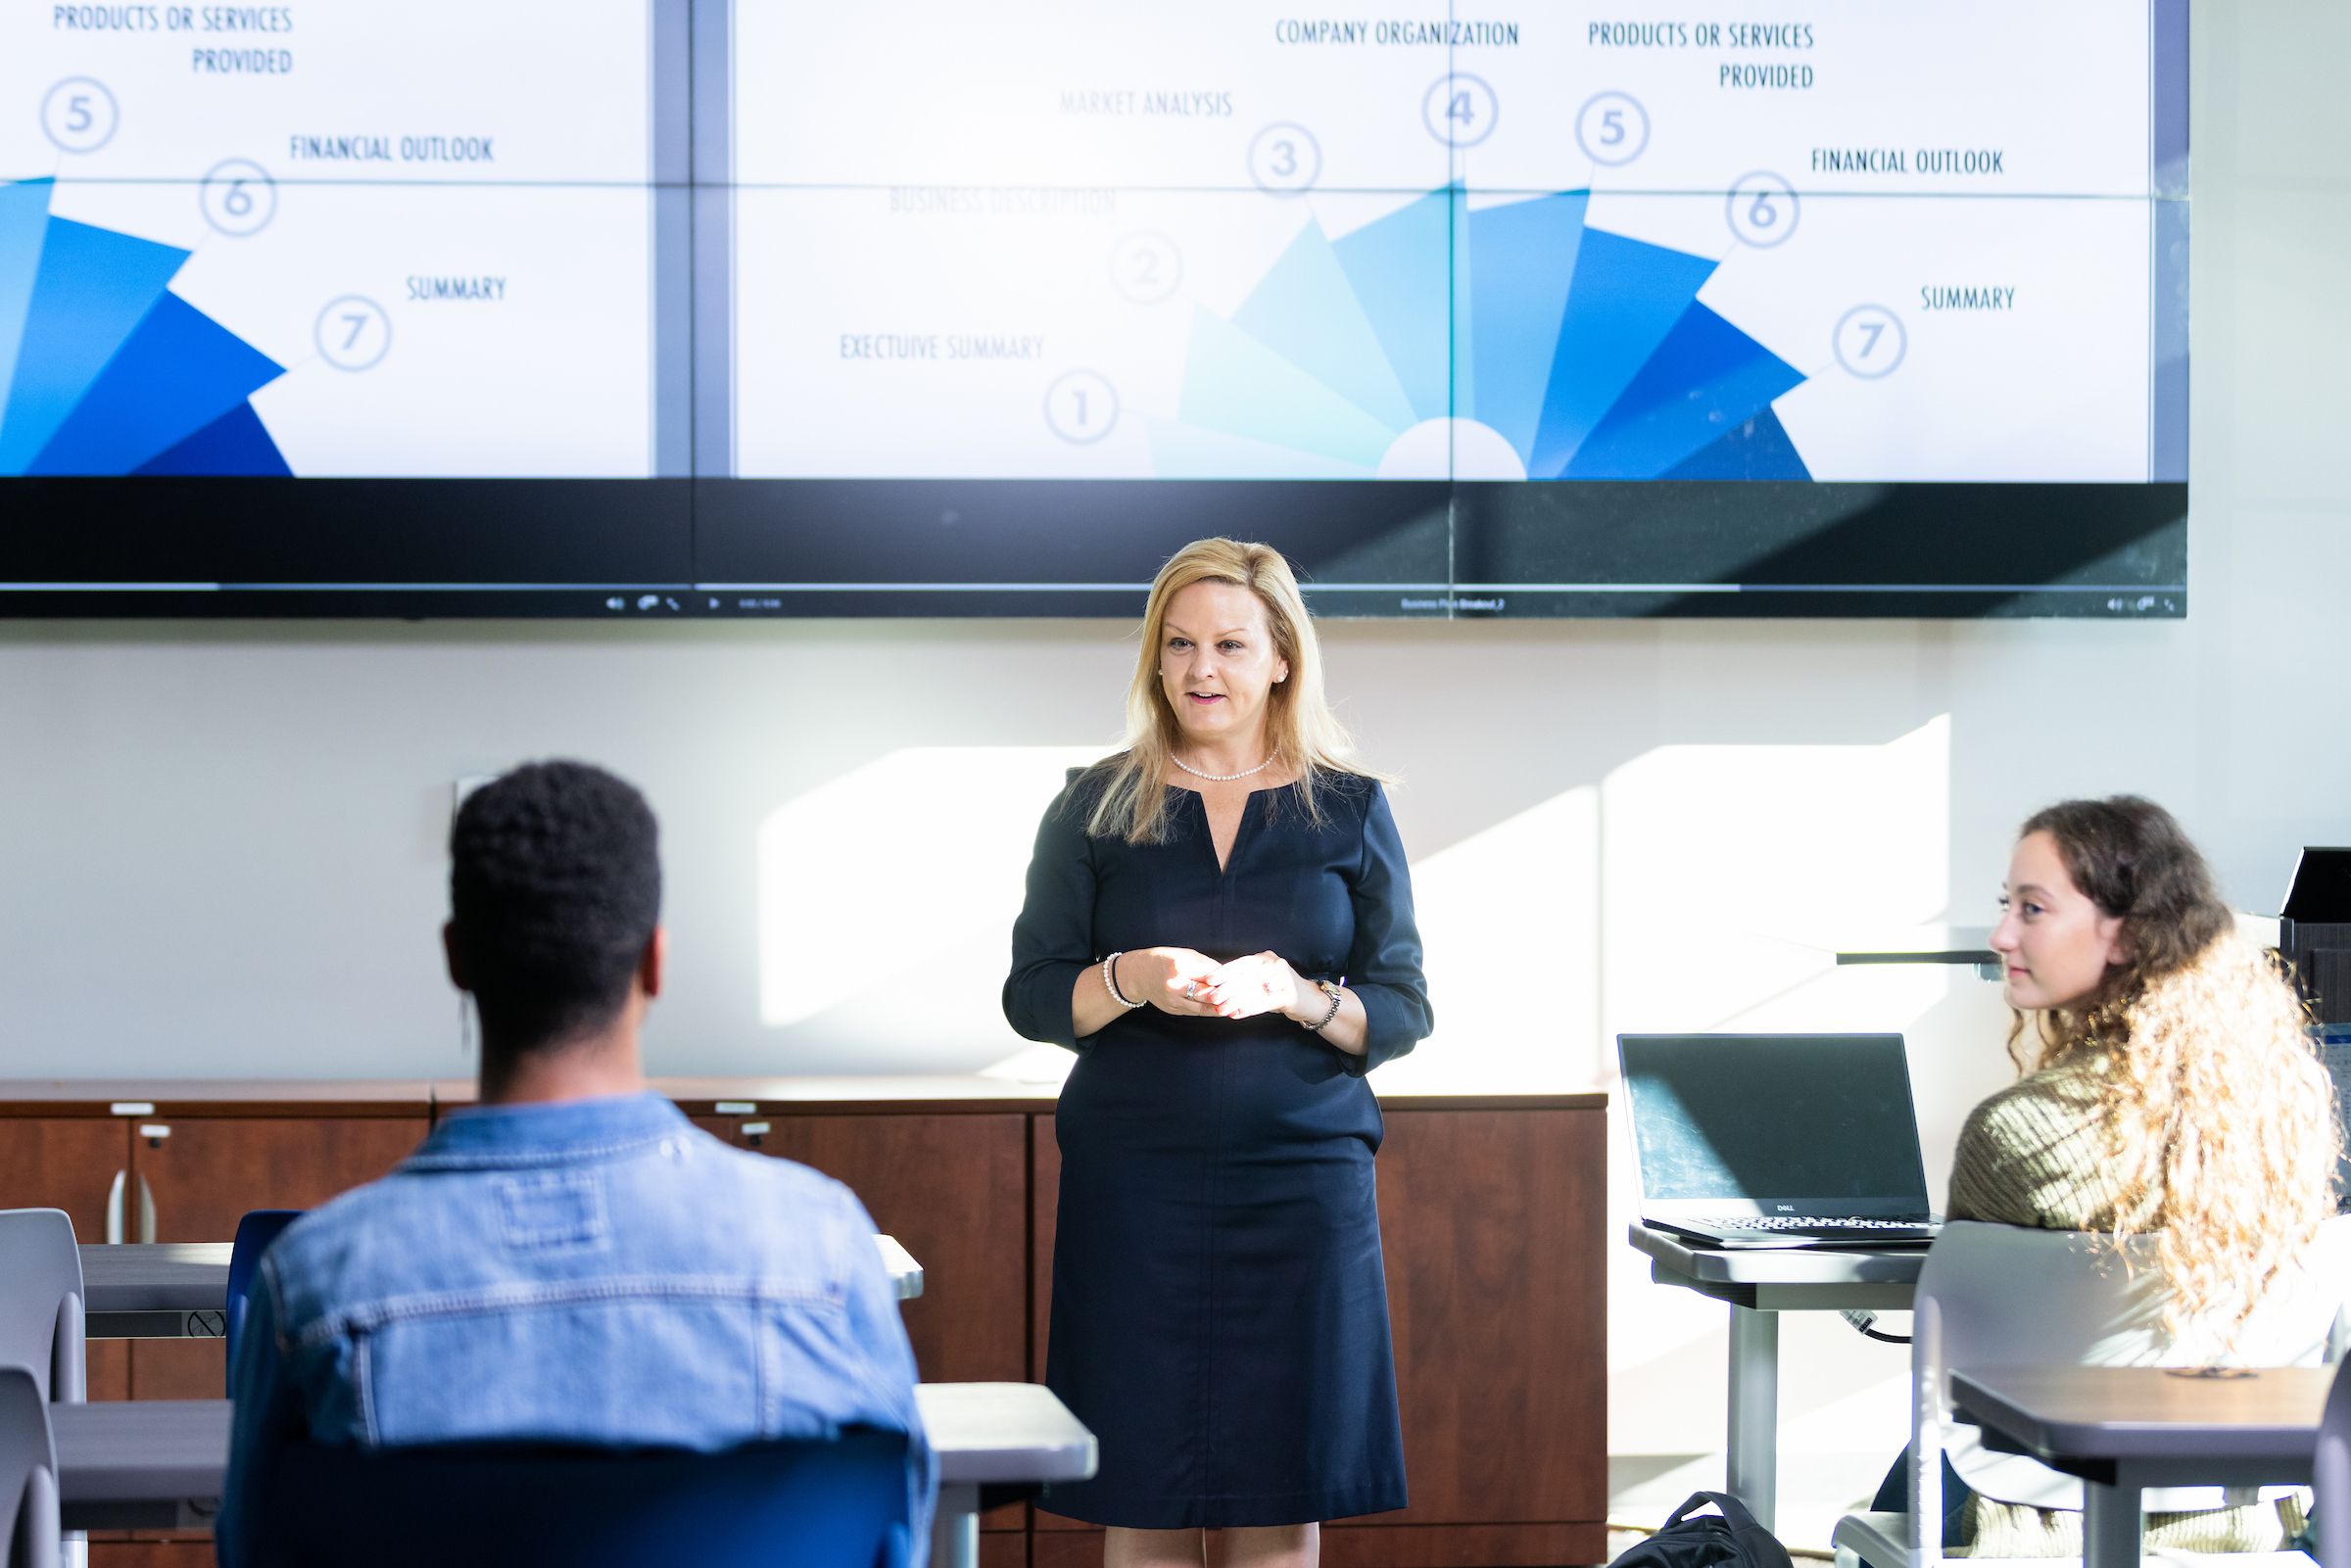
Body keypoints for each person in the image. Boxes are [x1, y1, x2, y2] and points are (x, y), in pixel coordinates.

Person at [216, 760, 932, 1564]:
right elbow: (892, 1539)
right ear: (655, 963)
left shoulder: (314, 1283)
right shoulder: (823, 1251)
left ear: (458, 959)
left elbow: (254, 1549)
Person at [1003, 538, 1433, 1568]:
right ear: (1155, 660)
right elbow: (1030, 994)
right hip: (1135, 1196)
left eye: (1232, 644)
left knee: (1280, 1506)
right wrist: (1132, 978)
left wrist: (1298, 992)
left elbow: (1404, 1006)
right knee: (1142, 1500)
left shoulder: (1351, 805)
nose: (1204, 668)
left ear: (1282, 656)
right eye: (1181, 643)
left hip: (1302, 1194)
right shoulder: (1094, 803)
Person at [1922, 795, 2338, 1556]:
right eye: (2006, 905)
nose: (2001, 933)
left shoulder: (2015, 1133)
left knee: (1901, 1476)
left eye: (2033, 908)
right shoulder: (2290, 1124)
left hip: (2034, 1514)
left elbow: (1960, 1329)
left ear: (2127, 935)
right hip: (2246, 1516)